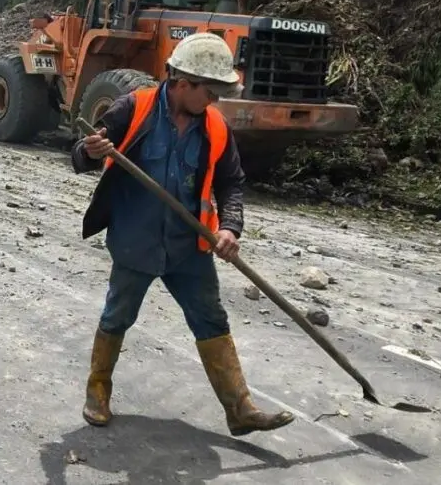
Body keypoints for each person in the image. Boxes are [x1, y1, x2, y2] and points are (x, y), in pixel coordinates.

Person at [71, 32, 294, 437]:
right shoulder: (133, 108)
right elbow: (82, 154)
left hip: (189, 245)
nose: (214, 100)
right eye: (210, 92)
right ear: (183, 82)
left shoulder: (216, 127)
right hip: (136, 240)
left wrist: (230, 228)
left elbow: (231, 183)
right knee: (118, 315)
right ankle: (98, 390)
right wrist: (90, 151)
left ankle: (240, 409)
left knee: (211, 318)